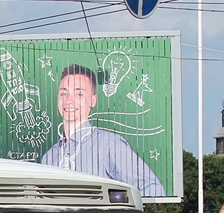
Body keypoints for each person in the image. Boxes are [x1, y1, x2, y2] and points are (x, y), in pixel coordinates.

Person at [40, 64, 164, 197]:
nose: (69, 100)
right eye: (63, 93)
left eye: (79, 94)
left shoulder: (109, 145)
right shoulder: (49, 157)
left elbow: (153, 188)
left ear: (92, 101)